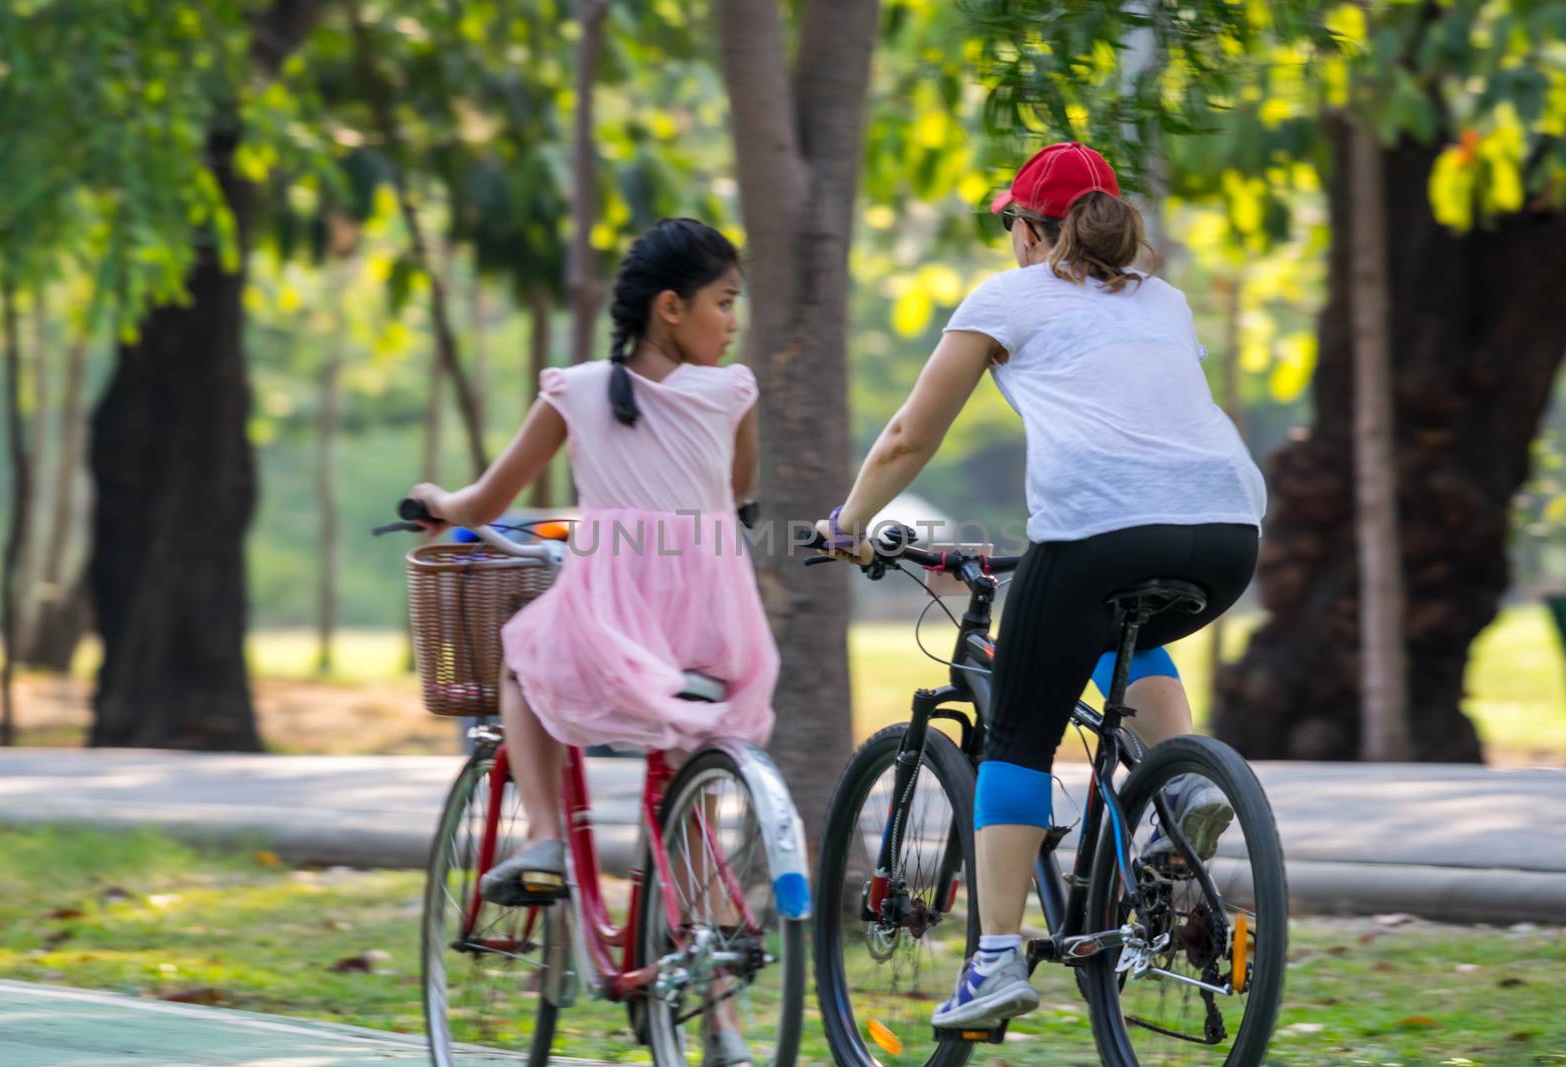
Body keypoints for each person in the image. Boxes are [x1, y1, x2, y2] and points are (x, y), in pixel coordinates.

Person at [813, 142, 1265, 1031]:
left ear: (1028, 231)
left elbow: (910, 433)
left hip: (1097, 531)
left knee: (1017, 739)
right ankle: (1181, 786)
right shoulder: (1161, 300)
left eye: (1011, 221)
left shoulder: (1008, 296)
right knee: (1116, 627)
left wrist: (849, 522)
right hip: (1226, 533)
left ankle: (992, 962)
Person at [409, 218, 776, 1064]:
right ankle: (716, 1021)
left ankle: (544, 838)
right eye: (725, 304)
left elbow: (483, 500)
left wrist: (437, 497)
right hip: (714, 618)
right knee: (688, 783)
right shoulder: (732, 394)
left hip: (611, 610)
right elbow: (739, 490)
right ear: (673, 307)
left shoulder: (573, 390)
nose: (733, 322)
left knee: (525, 662)